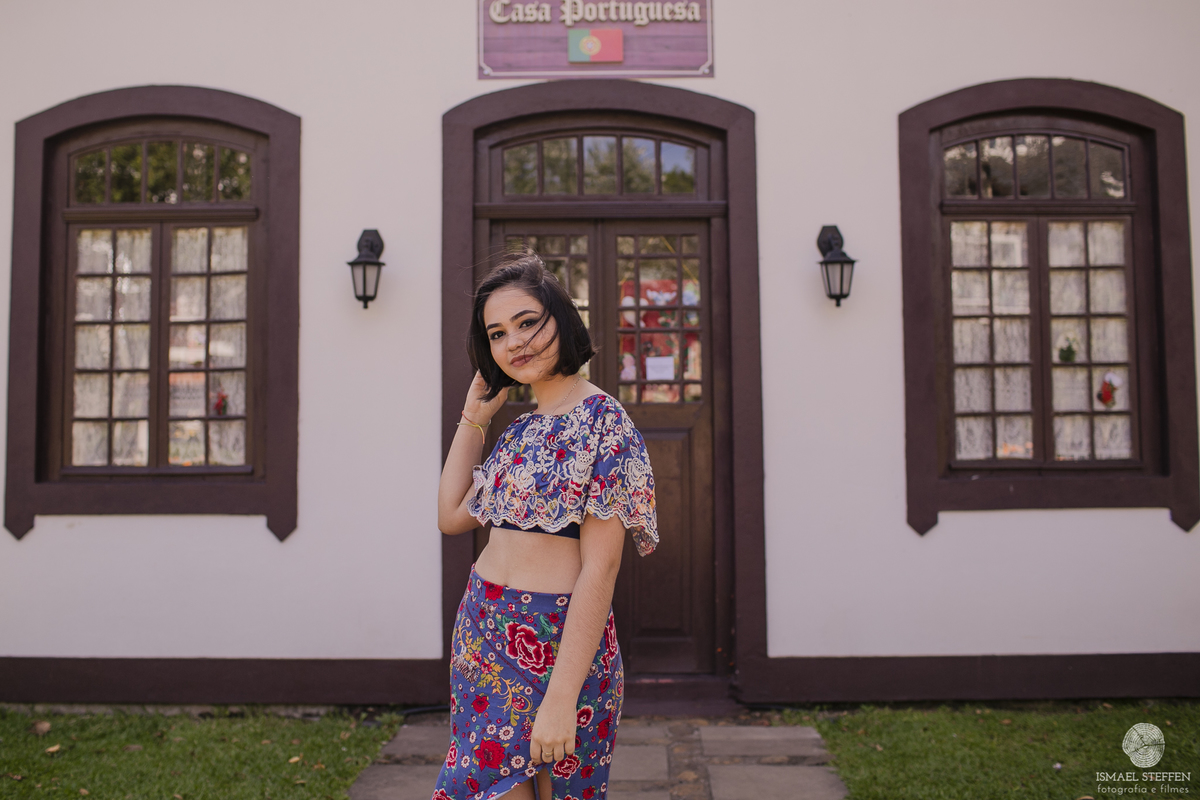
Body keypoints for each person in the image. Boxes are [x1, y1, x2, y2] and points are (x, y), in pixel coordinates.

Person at [433, 250, 658, 800]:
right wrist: (474, 418)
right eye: (498, 333)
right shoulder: (519, 432)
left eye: (528, 322)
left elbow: (600, 570)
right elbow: (451, 516)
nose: (515, 342)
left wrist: (562, 697)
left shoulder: (607, 424)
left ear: (562, 318)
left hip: (559, 650)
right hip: (483, 640)